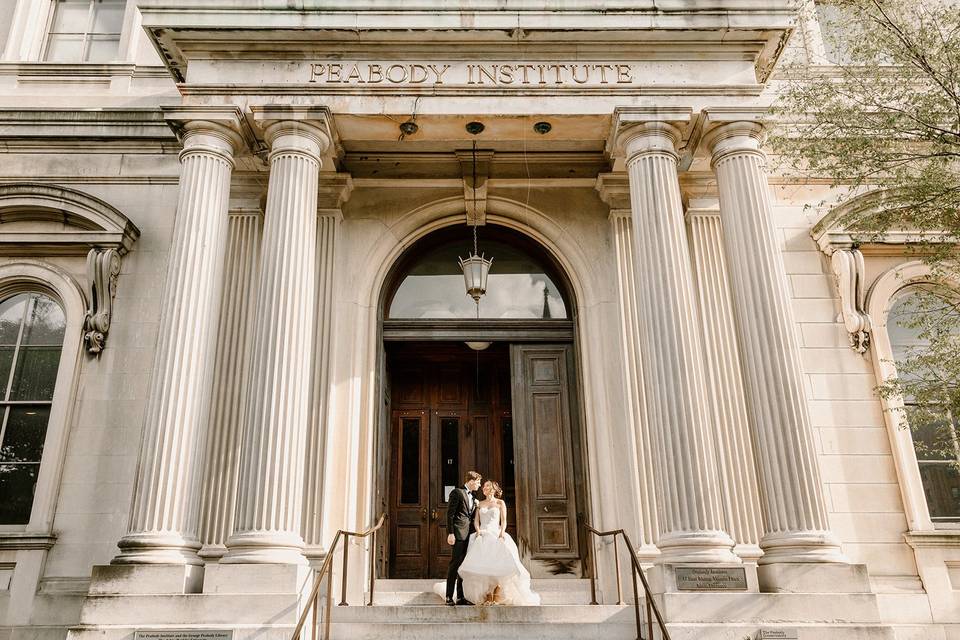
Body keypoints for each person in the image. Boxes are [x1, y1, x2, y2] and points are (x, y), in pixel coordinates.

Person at [454, 479, 541, 606]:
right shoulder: (480, 504)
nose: (484, 487)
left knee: (499, 566)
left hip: (496, 534)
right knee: (484, 566)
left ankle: (496, 595)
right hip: (483, 535)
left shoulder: (500, 503)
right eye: (483, 486)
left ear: (494, 489)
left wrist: (502, 532)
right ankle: (487, 596)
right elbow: (476, 521)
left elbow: (504, 520)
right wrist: (478, 531)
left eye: (487, 486)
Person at [444, 470, 482, 605]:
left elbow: (471, 517)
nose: (479, 485)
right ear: (471, 481)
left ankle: (461, 597)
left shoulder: (473, 497)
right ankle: (449, 596)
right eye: (478, 482)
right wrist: (451, 533)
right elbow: (450, 514)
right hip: (458, 534)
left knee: (464, 566)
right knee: (454, 564)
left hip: (469, 535)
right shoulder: (457, 493)